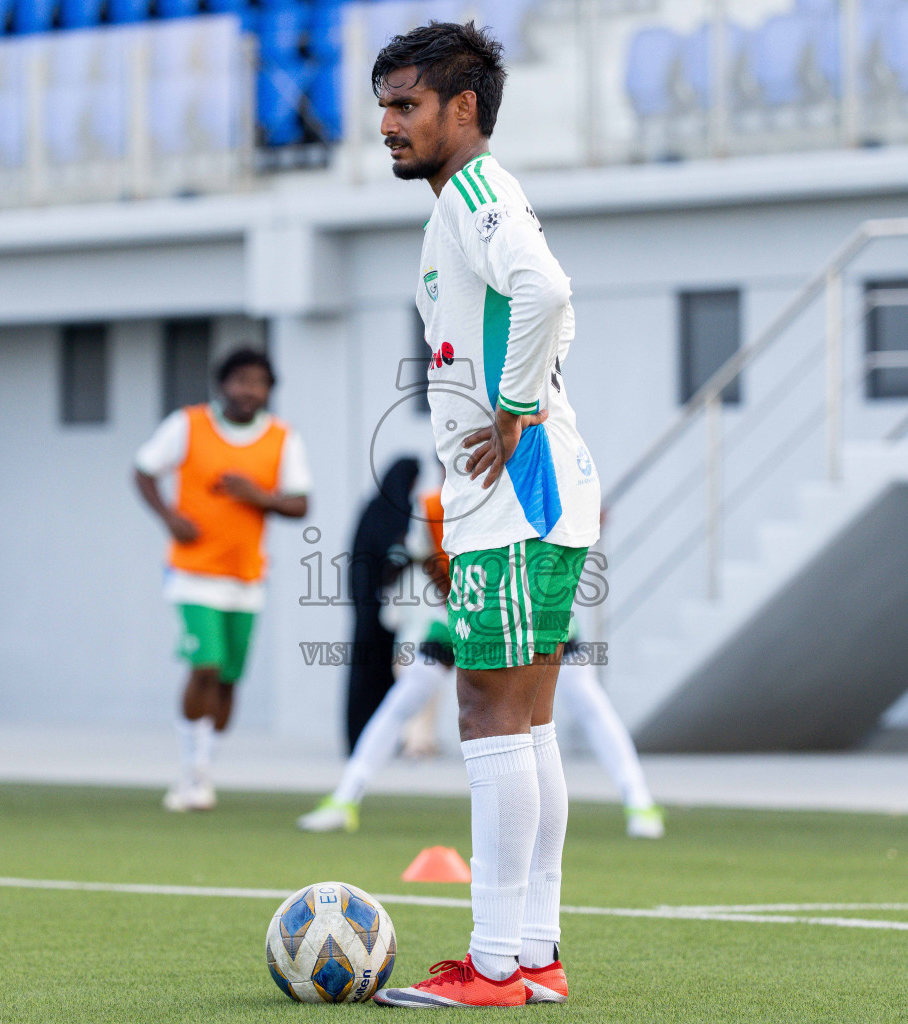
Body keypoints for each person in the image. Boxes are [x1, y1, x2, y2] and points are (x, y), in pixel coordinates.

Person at [369, 22, 600, 1009]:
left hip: (518, 490)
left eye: (406, 105)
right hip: (539, 487)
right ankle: (532, 951)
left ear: (463, 109)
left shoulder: (474, 194)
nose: (387, 124)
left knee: (488, 715)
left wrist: (512, 411)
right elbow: (549, 309)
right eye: (383, 104)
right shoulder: (470, 203)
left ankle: (497, 962)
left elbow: (546, 292)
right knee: (528, 724)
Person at [298, 487, 664, 839]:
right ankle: (347, 796)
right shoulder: (433, 505)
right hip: (466, 613)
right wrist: (462, 605)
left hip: (538, 611)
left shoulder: (522, 484)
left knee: (582, 699)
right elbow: (431, 561)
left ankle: (639, 801)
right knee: (408, 695)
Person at [134, 348, 310, 812]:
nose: (248, 390)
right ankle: (191, 776)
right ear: (222, 384)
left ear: (269, 389)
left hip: (246, 576)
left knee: (229, 681)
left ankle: (203, 770)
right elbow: (144, 468)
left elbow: (299, 504)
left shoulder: (281, 438)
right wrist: (168, 516)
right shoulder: (187, 424)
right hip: (193, 572)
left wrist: (257, 496)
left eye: (258, 382)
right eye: (239, 380)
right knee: (205, 666)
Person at [343, 456, 420, 752]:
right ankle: (359, 739)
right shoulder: (379, 512)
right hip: (369, 607)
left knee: (391, 675)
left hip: (392, 610)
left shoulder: (398, 510)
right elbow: (379, 560)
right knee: (365, 675)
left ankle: (385, 741)